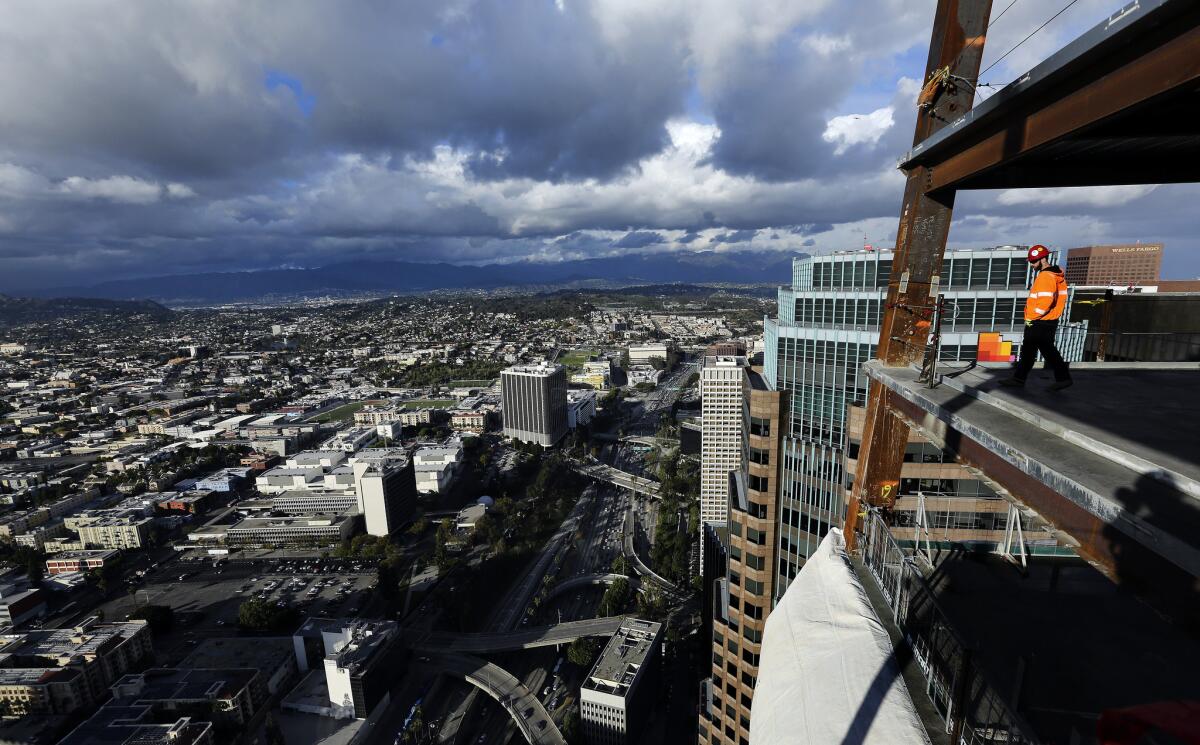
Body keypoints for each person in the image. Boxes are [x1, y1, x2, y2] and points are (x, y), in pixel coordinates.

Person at [1001, 244, 1073, 390]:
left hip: (1039, 321)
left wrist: (1031, 317)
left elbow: (1046, 302)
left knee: (1039, 350)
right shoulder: (1056, 275)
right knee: (1033, 350)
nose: (1032, 265)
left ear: (1043, 259)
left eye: (1034, 262)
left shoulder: (1046, 276)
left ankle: (1062, 378)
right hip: (1048, 320)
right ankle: (1020, 378)